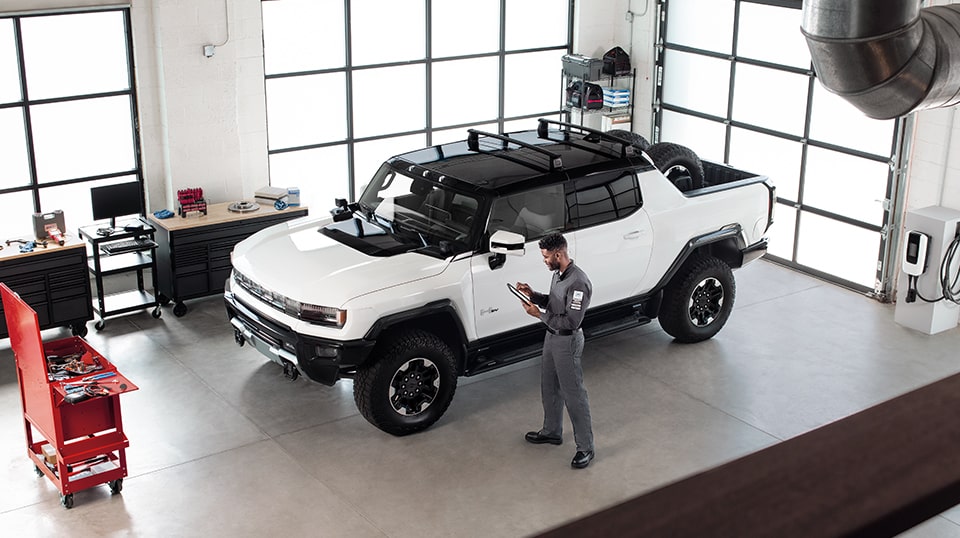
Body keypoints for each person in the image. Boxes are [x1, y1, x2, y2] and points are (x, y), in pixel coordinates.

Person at [516, 232, 595, 469]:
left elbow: (571, 322)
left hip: (567, 342)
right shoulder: (558, 274)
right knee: (548, 386)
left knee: (573, 395)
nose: (544, 260)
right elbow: (554, 303)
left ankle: (586, 448)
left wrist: (537, 315)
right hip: (551, 337)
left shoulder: (578, 282)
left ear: (558, 254)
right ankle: (552, 431)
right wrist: (534, 295)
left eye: (546, 256)